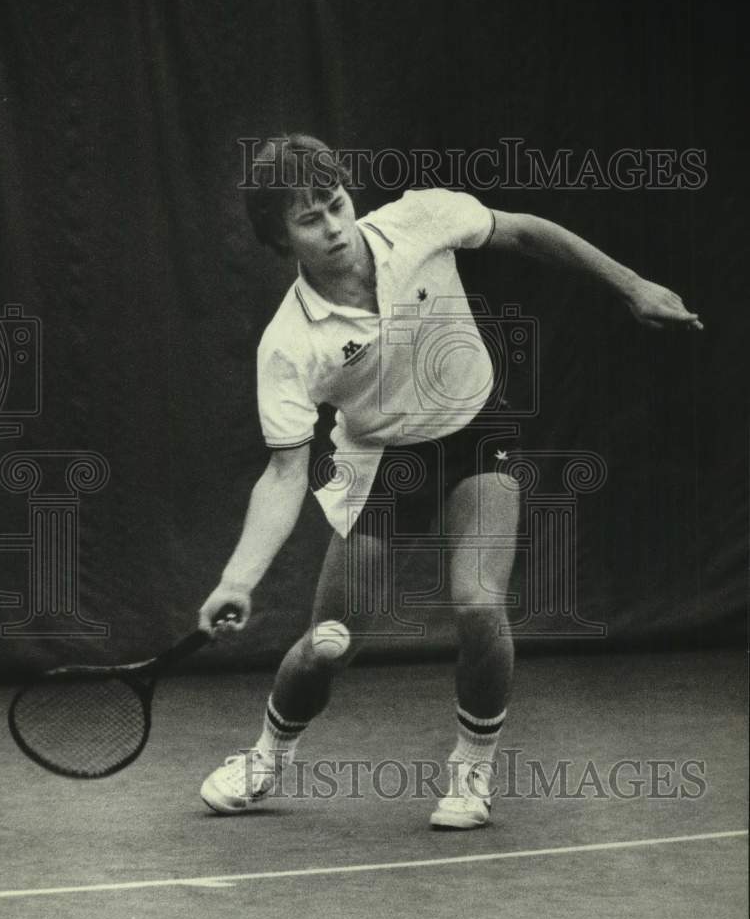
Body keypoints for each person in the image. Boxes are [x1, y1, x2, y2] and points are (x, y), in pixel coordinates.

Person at [198, 134, 702, 829]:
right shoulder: (289, 343)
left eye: (336, 203)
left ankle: (471, 772)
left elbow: (524, 231)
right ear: (279, 238)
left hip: (474, 430)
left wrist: (631, 285)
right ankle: (265, 758)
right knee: (328, 642)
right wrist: (237, 579)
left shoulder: (419, 220)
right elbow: (284, 473)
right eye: (309, 219)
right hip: (382, 461)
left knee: (476, 603)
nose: (334, 226)